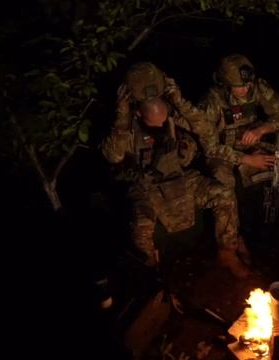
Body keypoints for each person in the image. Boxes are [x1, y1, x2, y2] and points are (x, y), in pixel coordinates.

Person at [101, 62, 252, 278]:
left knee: (224, 195)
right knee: (142, 225)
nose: (161, 127)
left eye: (163, 122)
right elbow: (114, 155)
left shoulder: (171, 112)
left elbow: (206, 129)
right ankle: (151, 270)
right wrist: (122, 117)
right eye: (154, 124)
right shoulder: (126, 125)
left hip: (180, 177)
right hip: (147, 185)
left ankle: (227, 252)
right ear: (137, 113)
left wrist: (180, 102)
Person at [197, 53, 279, 189]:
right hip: (223, 151)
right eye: (240, 86)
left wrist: (261, 130)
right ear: (226, 84)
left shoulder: (256, 87)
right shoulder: (212, 101)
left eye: (248, 84)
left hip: (251, 145)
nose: (246, 89)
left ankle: (268, 202)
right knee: (225, 181)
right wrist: (248, 159)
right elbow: (209, 148)